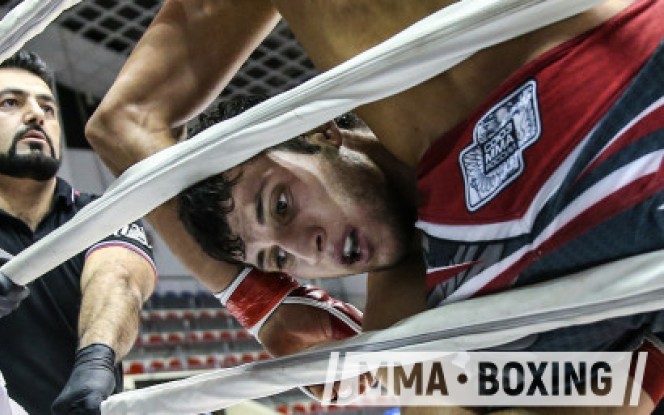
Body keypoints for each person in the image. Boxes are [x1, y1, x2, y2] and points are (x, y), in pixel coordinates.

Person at [87, 0, 664, 413]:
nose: (304, 249)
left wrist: (267, 303)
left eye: (283, 205)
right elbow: (121, 125)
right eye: (278, 262)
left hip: (611, 78)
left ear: (321, 132)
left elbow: (123, 123)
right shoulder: (403, 312)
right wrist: (265, 300)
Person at [0, 51, 156, 415]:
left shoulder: (99, 212)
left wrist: (96, 359)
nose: (37, 115)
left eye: (48, 108)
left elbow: (119, 276)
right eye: (10, 103)